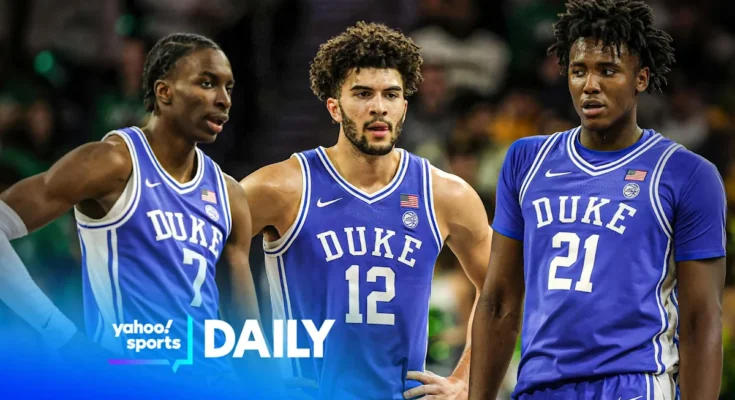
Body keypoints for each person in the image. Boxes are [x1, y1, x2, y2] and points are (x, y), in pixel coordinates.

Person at [468, 1, 726, 399]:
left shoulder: (687, 174)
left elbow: (701, 320)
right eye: (579, 71)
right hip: (539, 387)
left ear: (641, 78)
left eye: (608, 70)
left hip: (634, 383)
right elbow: (499, 300)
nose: (590, 84)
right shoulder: (525, 160)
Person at [240, 21, 491, 399]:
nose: (378, 107)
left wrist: (466, 379)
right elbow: (192, 262)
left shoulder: (444, 194)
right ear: (334, 107)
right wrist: (247, 365)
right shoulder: (281, 187)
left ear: (404, 107)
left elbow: (501, 290)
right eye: (362, 93)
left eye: (391, 94)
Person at [0, 33, 260, 381]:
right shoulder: (112, 162)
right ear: (164, 92)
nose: (223, 99)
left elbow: (247, 333)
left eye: (228, 87)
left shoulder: (229, 194)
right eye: (207, 83)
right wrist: (61, 335)